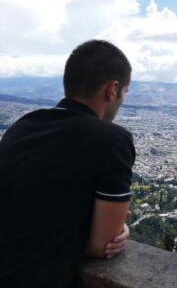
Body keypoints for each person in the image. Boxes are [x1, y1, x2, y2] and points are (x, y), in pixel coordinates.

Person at [0, 40, 136, 288]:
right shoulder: (113, 139)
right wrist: (120, 225)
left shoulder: (22, 127)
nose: (122, 100)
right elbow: (100, 245)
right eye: (124, 93)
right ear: (112, 89)